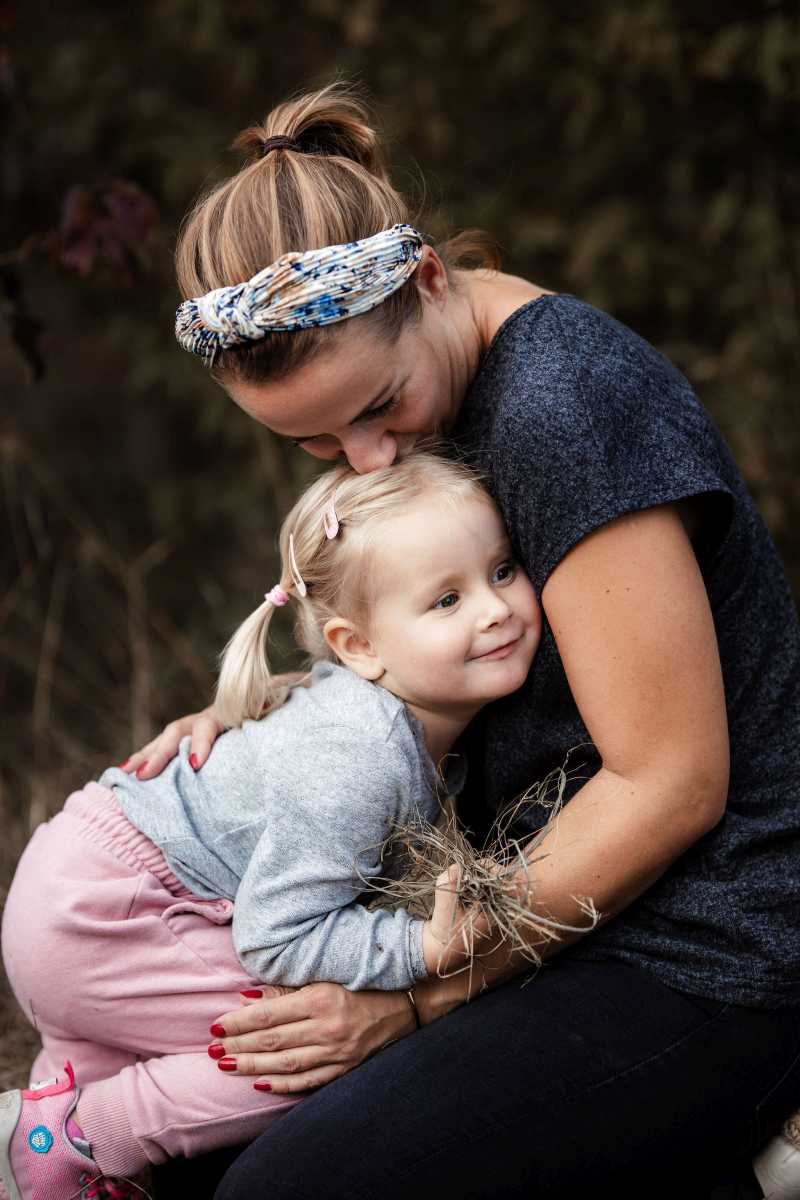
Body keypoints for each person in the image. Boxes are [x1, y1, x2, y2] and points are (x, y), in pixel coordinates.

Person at [118, 83, 800, 1199]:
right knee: (189, 1145)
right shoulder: (432, 393)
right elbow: (402, 655)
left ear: (429, 277)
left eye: (379, 407)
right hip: (544, 924)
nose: (369, 457)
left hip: (707, 944)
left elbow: (670, 782)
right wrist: (265, 726)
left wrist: (415, 1006)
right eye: (316, 446)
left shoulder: (559, 408)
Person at [0, 452, 544, 1200]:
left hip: (75, 891)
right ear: (360, 646)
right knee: (316, 1043)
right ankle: (89, 1131)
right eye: (446, 600)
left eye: (504, 569)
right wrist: (418, 948)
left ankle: (54, 1139)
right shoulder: (363, 755)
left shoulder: (375, 714)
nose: (495, 608)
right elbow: (276, 936)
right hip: (106, 914)